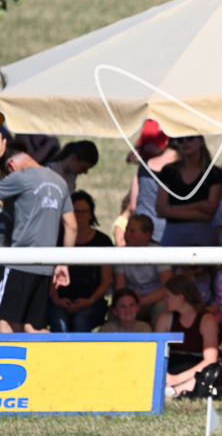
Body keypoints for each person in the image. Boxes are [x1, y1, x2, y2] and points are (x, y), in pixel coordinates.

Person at [0, 137, 75, 333]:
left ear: (11, 165)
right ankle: (52, 361)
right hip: (45, 266)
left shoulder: (19, 178)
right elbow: (72, 226)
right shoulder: (60, 181)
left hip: (19, 262)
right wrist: (63, 262)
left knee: (5, 320)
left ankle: (5, 364)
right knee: (33, 327)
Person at [47, 190, 113, 332]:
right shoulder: (56, 238)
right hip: (59, 301)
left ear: (91, 214)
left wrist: (89, 301)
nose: (79, 216)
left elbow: (106, 281)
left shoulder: (103, 241)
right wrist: (56, 300)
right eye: (75, 211)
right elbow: (48, 274)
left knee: (81, 321)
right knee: (60, 323)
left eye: (84, 212)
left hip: (93, 302)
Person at [155, 274, 222, 396]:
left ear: (181, 297)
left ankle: (174, 391)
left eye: (168, 296)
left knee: (219, 370)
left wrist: (176, 379)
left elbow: (210, 359)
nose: (165, 299)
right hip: (173, 368)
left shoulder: (206, 320)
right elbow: (156, 353)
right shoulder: (165, 318)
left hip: (198, 370)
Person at [156, 135, 222, 248]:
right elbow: (160, 210)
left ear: (201, 142)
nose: (184, 142)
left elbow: (210, 214)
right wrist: (198, 206)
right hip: (172, 236)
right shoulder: (168, 171)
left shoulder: (214, 173)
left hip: (202, 236)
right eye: (180, 139)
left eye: (190, 138)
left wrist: (171, 209)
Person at [113, 214, 172, 323]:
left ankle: (158, 340)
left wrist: (142, 302)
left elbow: (168, 287)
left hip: (156, 300)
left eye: (132, 231)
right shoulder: (121, 254)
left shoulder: (158, 252)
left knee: (161, 308)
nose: (126, 234)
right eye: (126, 230)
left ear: (146, 236)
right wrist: (132, 303)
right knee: (114, 313)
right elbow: (119, 290)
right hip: (131, 301)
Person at [129, 119, 177, 244]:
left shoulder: (143, 168)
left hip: (141, 231)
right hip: (166, 234)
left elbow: (133, 206)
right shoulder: (181, 172)